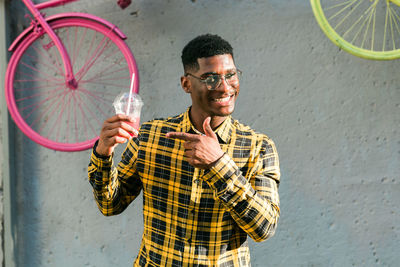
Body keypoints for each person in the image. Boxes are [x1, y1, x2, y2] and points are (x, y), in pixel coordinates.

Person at [88, 33, 280, 267]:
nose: (224, 87)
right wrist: (103, 153)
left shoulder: (258, 147)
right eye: (210, 78)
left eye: (230, 75)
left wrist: (219, 165)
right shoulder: (150, 136)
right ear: (186, 83)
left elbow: (265, 228)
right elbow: (110, 205)